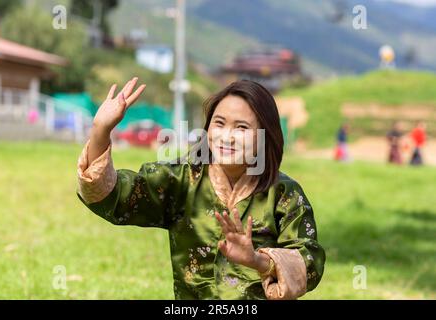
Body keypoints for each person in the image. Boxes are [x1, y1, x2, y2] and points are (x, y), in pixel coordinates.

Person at [76, 77, 325, 300]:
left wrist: (258, 261)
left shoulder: (283, 194)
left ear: (264, 136)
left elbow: (310, 261)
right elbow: (115, 195)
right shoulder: (182, 179)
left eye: (241, 128)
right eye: (219, 123)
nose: (227, 137)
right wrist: (101, 130)